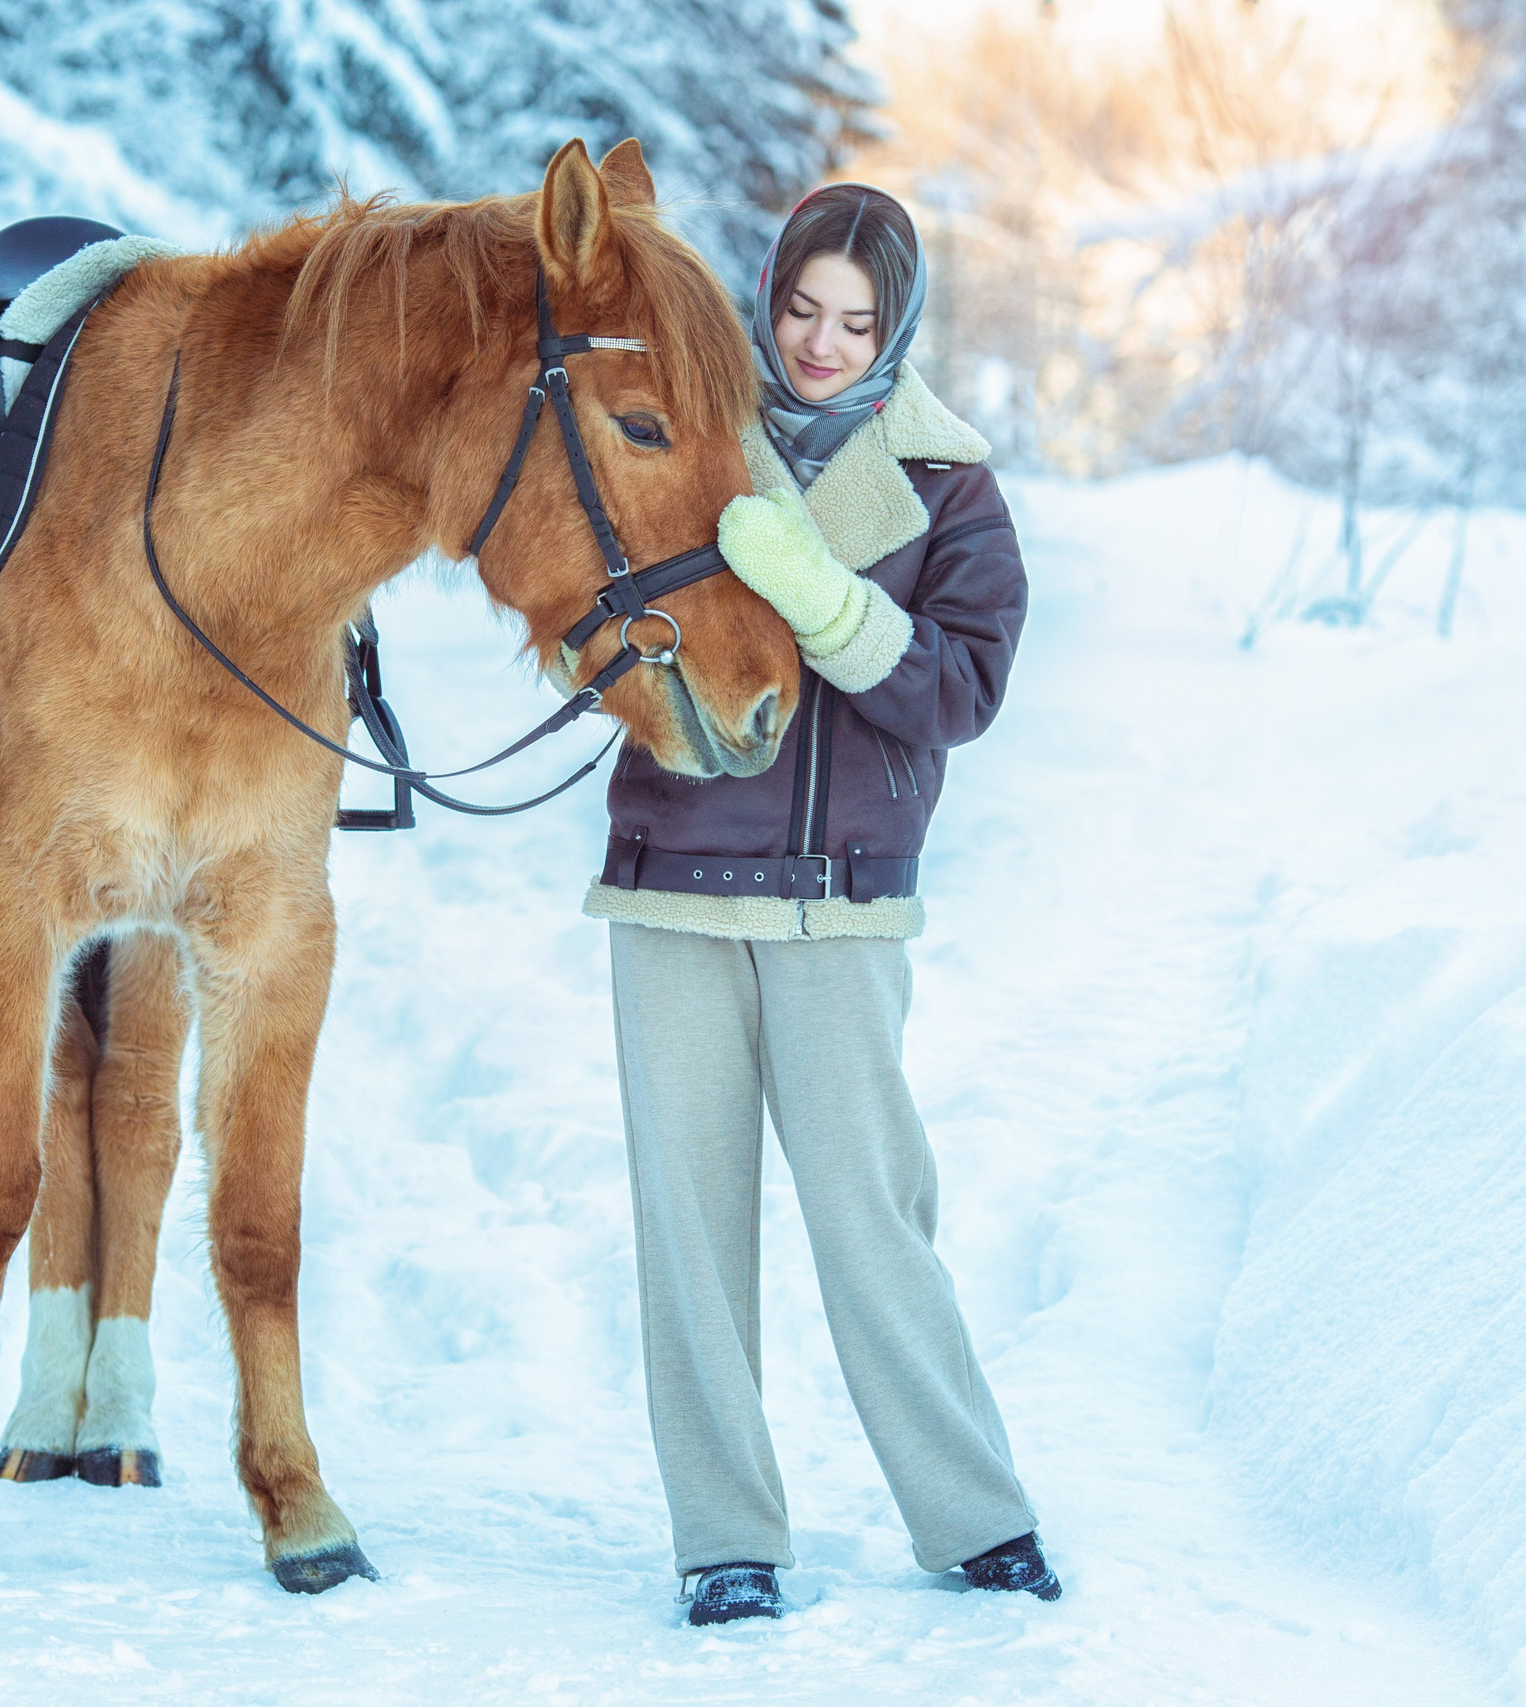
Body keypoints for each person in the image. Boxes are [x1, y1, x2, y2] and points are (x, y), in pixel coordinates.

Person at [584, 183, 1056, 1626]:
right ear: (768, 297)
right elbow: (595, 607)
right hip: (672, 881)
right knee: (691, 1227)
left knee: (870, 1218)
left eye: (857, 321)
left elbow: (958, 693)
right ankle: (725, 1535)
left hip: (843, 905)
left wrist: (821, 596)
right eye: (800, 310)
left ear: (897, 326)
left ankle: (971, 1511)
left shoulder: (952, 491)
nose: (822, 343)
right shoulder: (689, 443)